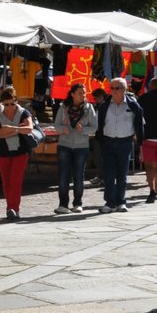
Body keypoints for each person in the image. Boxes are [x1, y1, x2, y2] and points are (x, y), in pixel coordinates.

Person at [0, 86, 37, 220]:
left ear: (16, 101)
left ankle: (13, 208)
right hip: (2, 152)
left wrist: (12, 129)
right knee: (6, 182)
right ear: (2, 103)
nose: (10, 107)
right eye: (6, 104)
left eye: (12, 103)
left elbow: (28, 129)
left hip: (20, 151)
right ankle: (10, 207)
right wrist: (17, 130)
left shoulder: (23, 112)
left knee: (16, 181)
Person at [97, 77, 145, 212]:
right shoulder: (104, 105)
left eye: (117, 88)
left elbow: (140, 125)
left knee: (122, 174)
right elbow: (100, 124)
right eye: (111, 88)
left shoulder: (133, 105)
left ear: (124, 89)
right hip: (108, 141)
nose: (114, 91)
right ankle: (109, 202)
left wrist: (140, 144)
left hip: (125, 142)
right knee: (109, 174)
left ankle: (121, 201)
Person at [53, 82, 98, 214]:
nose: (83, 95)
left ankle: (77, 203)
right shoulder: (63, 107)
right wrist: (63, 129)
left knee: (79, 176)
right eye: (80, 93)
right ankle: (62, 204)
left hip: (81, 146)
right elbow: (56, 125)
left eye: (84, 93)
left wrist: (83, 130)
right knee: (63, 176)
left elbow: (94, 127)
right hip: (64, 145)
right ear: (72, 94)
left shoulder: (89, 108)